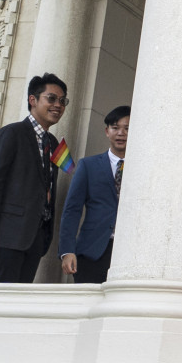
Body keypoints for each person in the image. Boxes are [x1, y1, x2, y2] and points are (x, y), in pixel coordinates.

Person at [0, 74, 69, 283]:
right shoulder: (12, 133)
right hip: (7, 238)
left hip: (35, 239)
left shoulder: (52, 143)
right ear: (32, 100)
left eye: (62, 101)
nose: (58, 105)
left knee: (20, 303)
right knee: (1, 303)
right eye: (51, 99)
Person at [58, 105, 129, 284]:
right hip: (92, 252)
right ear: (107, 131)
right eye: (115, 128)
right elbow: (72, 210)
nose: (121, 133)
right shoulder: (88, 166)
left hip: (129, 253)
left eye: (127, 128)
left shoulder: (145, 169)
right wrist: (67, 251)